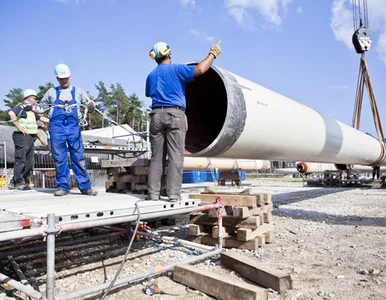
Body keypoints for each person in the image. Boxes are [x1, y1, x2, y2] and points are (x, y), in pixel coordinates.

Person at [145, 41, 221, 201]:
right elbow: (200, 69)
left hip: (156, 116)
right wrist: (212, 54)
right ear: (169, 55)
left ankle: (153, 194)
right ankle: (173, 195)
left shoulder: (151, 76)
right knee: (175, 156)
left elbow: (149, 93)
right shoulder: (177, 69)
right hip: (175, 115)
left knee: (156, 157)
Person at [41, 64, 97, 196]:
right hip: (57, 128)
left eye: (66, 78)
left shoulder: (78, 91)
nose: (64, 80)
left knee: (78, 157)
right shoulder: (51, 92)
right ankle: (63, 187)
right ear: (57, 78)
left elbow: (90, 109)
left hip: (73, 127)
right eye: (61, 79)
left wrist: (91, 106)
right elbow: (40, 109)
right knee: (59, 158)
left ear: (70, 76)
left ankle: (85, 187)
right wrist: (30, 108)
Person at [8, 89, 49, 190]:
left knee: (29, 161)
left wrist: (58, 119)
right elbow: (11, 113)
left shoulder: (30, 111)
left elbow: (41, 118)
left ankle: (15, 181)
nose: (35, 100)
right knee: (21, 159)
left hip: (30, 137)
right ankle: (19, 182)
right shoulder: (22, 106)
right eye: (34, 98)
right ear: (29, 98)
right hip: (21, 136)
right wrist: (20, 127)